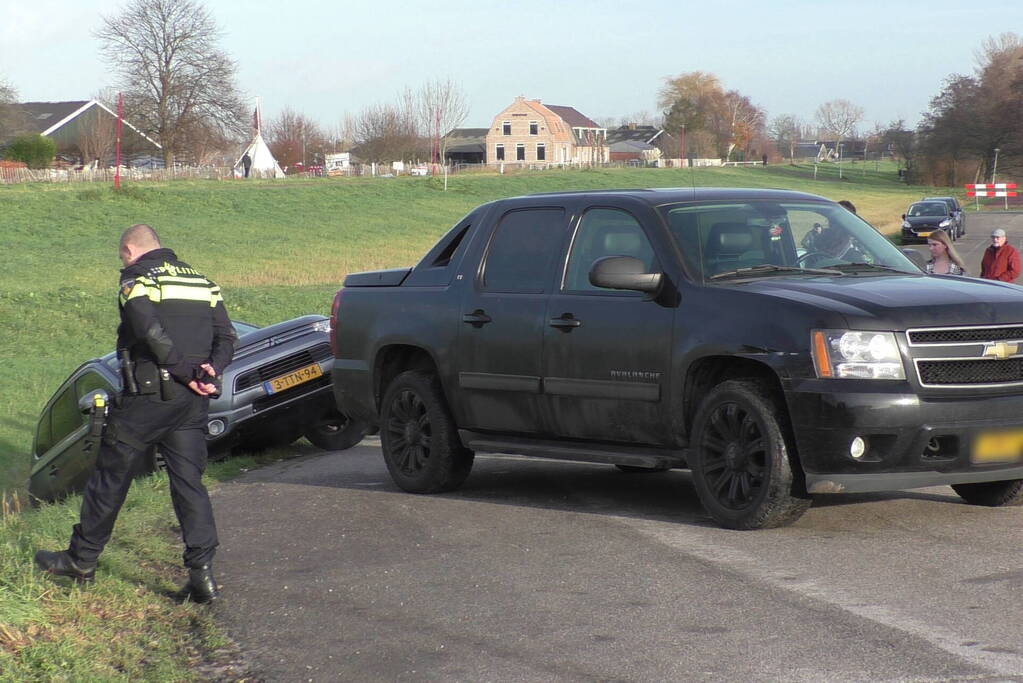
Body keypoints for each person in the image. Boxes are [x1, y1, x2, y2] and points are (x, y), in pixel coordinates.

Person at [35, 224, 237, 603]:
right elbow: (227, 337)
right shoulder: (201, 281)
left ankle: (81, 560)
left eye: (121, 256)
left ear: (130, 250)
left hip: (148, 396)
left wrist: (181, 370)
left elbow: (148, 330)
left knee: (110, 476)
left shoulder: (137, 278)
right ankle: (201, 575)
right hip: (192, 402)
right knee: (189, 485)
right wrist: (211, 370)